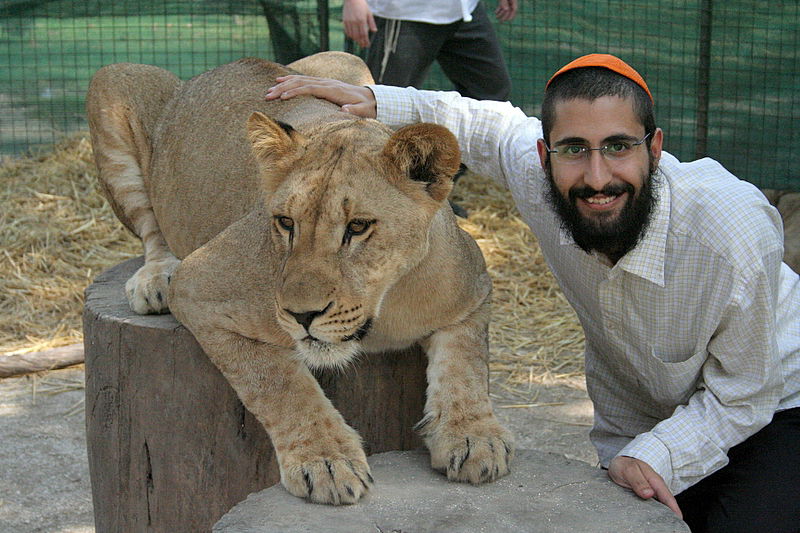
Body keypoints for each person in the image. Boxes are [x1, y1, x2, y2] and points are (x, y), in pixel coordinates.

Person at [266, 53, 800, 532]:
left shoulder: (729, 230)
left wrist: (658, 455)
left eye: (619, 147)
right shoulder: (546, 182)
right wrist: (380, 99)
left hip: (775, 404)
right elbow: (491, 128)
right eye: (575, 150)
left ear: (655, 149)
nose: (597, 177)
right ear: (544, 158)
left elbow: (746, 393)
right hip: (648, 418)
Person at [342, 0, 517, 101]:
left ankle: (458, 163)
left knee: (491, 92)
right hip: (403, 15)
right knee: (383, 104)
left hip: (465, 11)